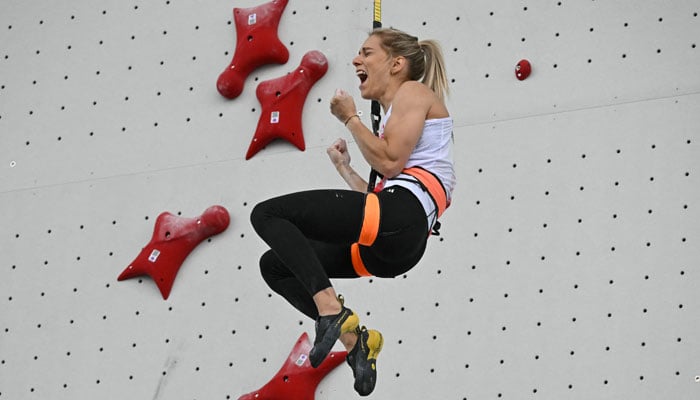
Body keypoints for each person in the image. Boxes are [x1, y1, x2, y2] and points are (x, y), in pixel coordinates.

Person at [250, 27, 455, 396]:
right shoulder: (399, 111)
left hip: (402, 220)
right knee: (275, 266)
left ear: (397, 64)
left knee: (267, 215)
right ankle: (356, 341)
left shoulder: (413, 92)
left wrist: (350, 119)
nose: (356, 60)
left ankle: (331, 310)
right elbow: (381, 201)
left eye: (367, 53)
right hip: (395, 243)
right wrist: (347, 170)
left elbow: (391, 163)